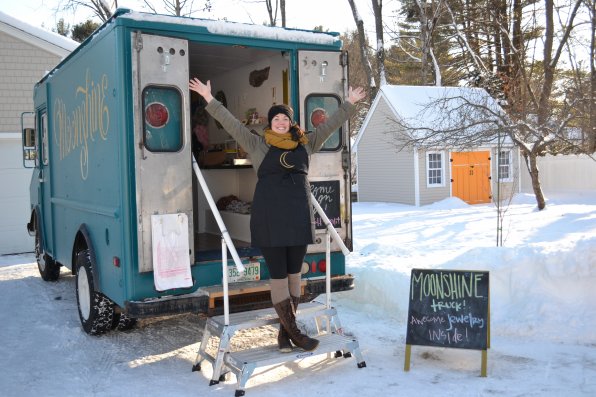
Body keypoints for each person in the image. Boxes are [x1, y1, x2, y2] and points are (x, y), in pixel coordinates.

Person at [189, 77, 365, 352]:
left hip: (298, 216)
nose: (281, 122)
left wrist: (349, 104)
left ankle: (285, 334)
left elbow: (330, 126)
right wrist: (209, 99)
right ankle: (295, 333)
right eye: (276, 119)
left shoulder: (306, 143)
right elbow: (233, 125)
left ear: (290, 122)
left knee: (295, 274)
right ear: (269, 123)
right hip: (270, 217)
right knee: (279, 275)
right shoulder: (258, 144)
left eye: (285, 118)